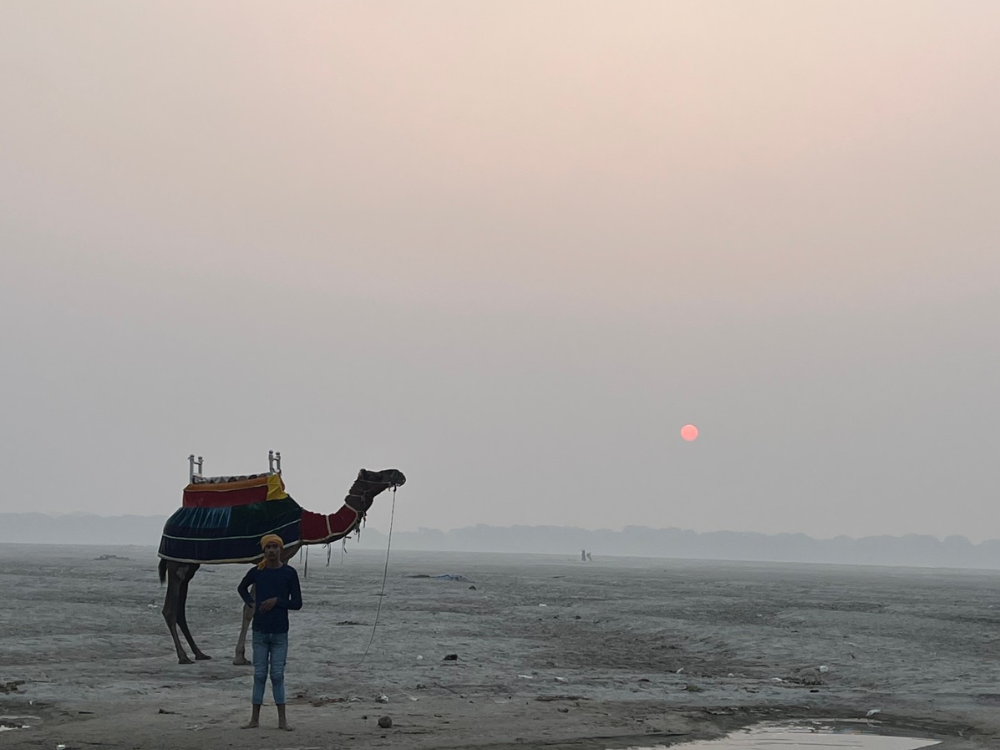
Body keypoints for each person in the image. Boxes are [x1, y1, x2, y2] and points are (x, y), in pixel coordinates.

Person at [237, 534, 302, 730]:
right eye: (268, 547)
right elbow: (242, 588)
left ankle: (282, 720)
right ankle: (254, 719)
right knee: (259, 675)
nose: (272, 550)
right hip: (260, 632)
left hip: (280, 632)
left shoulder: (289, 573)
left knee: (277, 675)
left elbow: (297, 603)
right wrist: (251, 602)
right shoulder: (258, 572)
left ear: (281, 550)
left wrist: (278, 601)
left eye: (275, 547)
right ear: (264, 550)